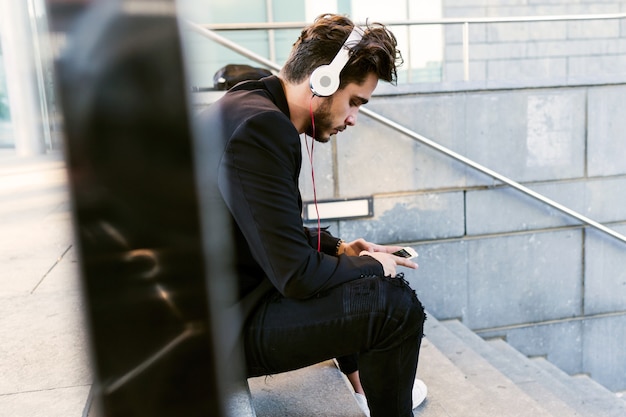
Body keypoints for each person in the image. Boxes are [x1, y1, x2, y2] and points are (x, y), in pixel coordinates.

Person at [196, 13, 426, 417]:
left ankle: (362, 386)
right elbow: (296, 275)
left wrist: (341, 248)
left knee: (346, 265)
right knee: (395, 305)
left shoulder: (249, 102)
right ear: (323, 81)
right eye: (354, 102)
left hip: (212, 302)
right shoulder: (263, 130)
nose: (353, 118)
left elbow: (265, 227)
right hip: (210, 333)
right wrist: (373, 264)